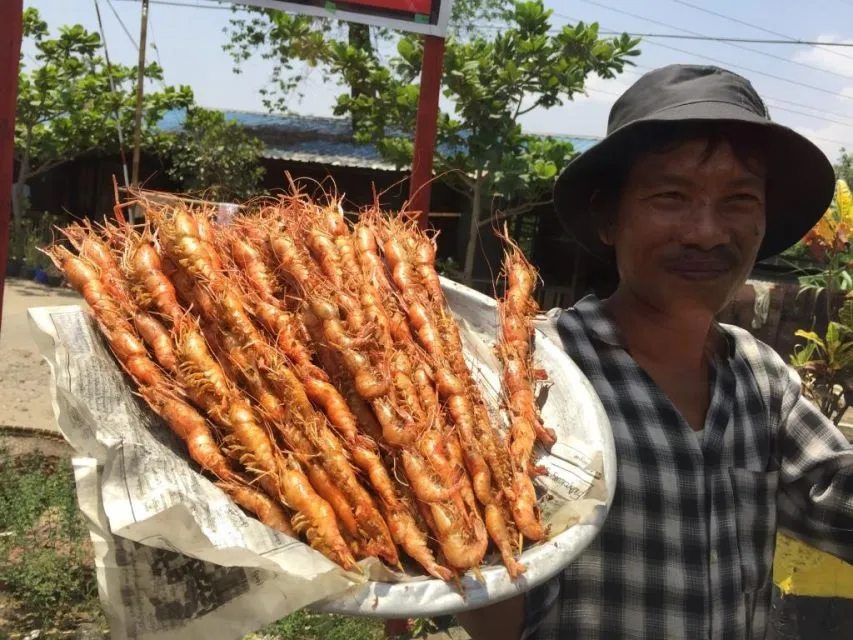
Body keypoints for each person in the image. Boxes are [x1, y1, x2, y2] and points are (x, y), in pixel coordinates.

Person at [456, 64, 853, 639]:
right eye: (671, 195)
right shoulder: (535, 377)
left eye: (740, 199)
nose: (706, 232)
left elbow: (838, 499)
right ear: (609, 219)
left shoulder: (761, 379)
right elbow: (493, 614)